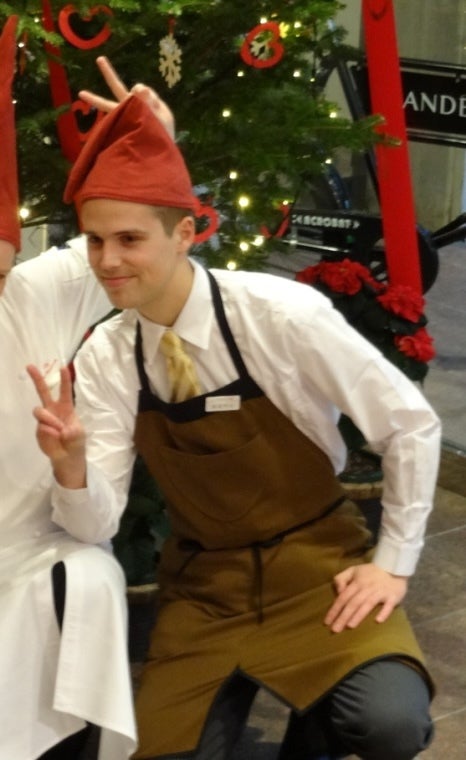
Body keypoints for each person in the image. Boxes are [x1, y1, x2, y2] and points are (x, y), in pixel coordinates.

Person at [28, 89, 442, 760]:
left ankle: (318, 727)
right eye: (96, 240)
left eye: (130, 239)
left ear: (185, 233)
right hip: (204, 592)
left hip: (318, 568)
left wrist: (392, 565)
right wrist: (71, 469)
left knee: (388, 723)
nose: (107, 261)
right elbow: (96, 524)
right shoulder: (107, 355)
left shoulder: (279, 315)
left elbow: (410, 424)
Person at [0, 16, 174, 759]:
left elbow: (135, 238)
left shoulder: (33, 291)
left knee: (93, 576)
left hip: (26, 558)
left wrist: (160, 143)